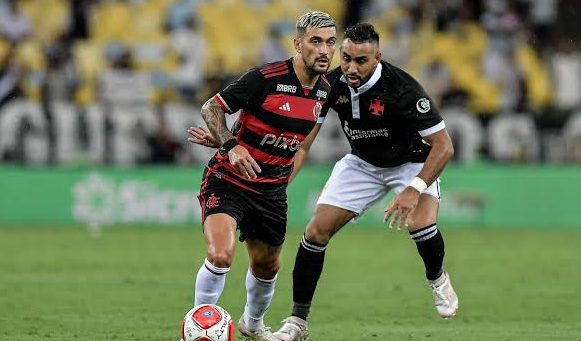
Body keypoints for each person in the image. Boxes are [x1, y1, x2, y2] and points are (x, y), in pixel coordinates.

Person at [189, 23, 458, 341]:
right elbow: (301, 141)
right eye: (345, 58)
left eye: (361, 61)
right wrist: (237, 145)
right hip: (363, 164)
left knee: (420, 225)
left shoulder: (403, 89)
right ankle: (297, 323)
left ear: (378, 58)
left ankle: (437, 278)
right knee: (315, 232)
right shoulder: (331, 83)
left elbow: (444, 147)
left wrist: (414, 189)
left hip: (411, 163)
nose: (350, 67)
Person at [189, 11, 337, 341]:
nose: (324, 50)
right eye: (315, 42)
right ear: (298, 45)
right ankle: (199, 327)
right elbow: (210, 108)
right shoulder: (266, 77)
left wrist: (278, 185)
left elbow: (299, 149)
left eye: (330, 43)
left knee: (267, 266)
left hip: (270, 192)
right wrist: (230, 145)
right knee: (220, 255)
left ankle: (252, 326)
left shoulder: (324, 91)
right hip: (228, 180)